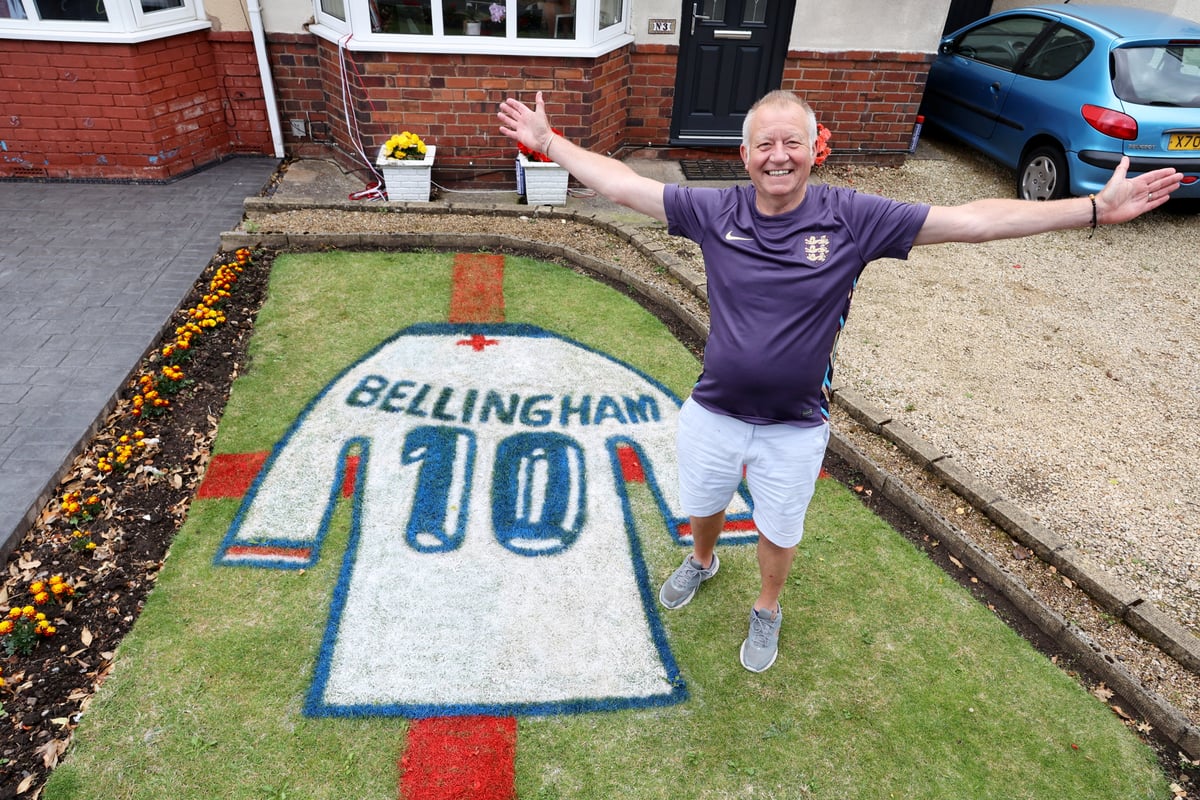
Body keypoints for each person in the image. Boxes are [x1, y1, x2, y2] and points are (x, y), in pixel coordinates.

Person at [497, 89, 1182, 673]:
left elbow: (973, 221)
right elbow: (623, 185)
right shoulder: (715, 212)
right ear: (744, 156)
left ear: (811, 147)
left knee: (779, 527)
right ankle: (702, 560)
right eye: (764, 145)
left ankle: (766, 607)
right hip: (714, 410)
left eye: (791, 142)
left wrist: (1092, 209)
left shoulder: (852, 217)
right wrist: (549, 140)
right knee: (701, 504)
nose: (778, 156)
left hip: (797, 423)